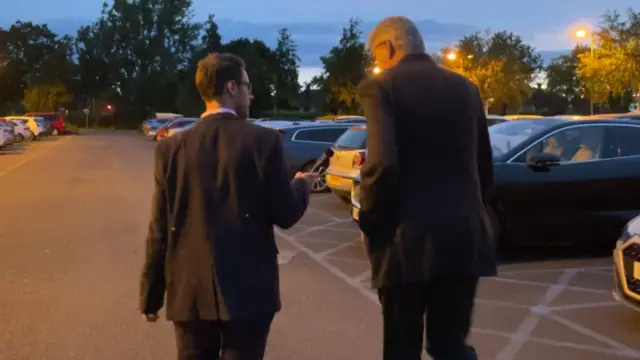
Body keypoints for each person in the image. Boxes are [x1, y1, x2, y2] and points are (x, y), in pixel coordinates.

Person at [139, 52, 318, 360]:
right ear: (231, 88)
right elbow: (286, 213)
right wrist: (302, 184)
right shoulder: (263, 142)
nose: (251, 93)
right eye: (248, 86)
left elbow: (160, 228)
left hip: (189, 291)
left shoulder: (171, 149)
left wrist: (151, 296)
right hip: (249, 293)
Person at [357, 16, 498, 360]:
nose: (376, 64)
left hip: (406, 242)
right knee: (450, 345)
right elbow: (484, 167)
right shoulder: (466, 88)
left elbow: (382, 164)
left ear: (388, 47)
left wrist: (370, 221)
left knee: (402, 347)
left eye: (375, 56)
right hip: (464, 237)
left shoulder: (381, 87)